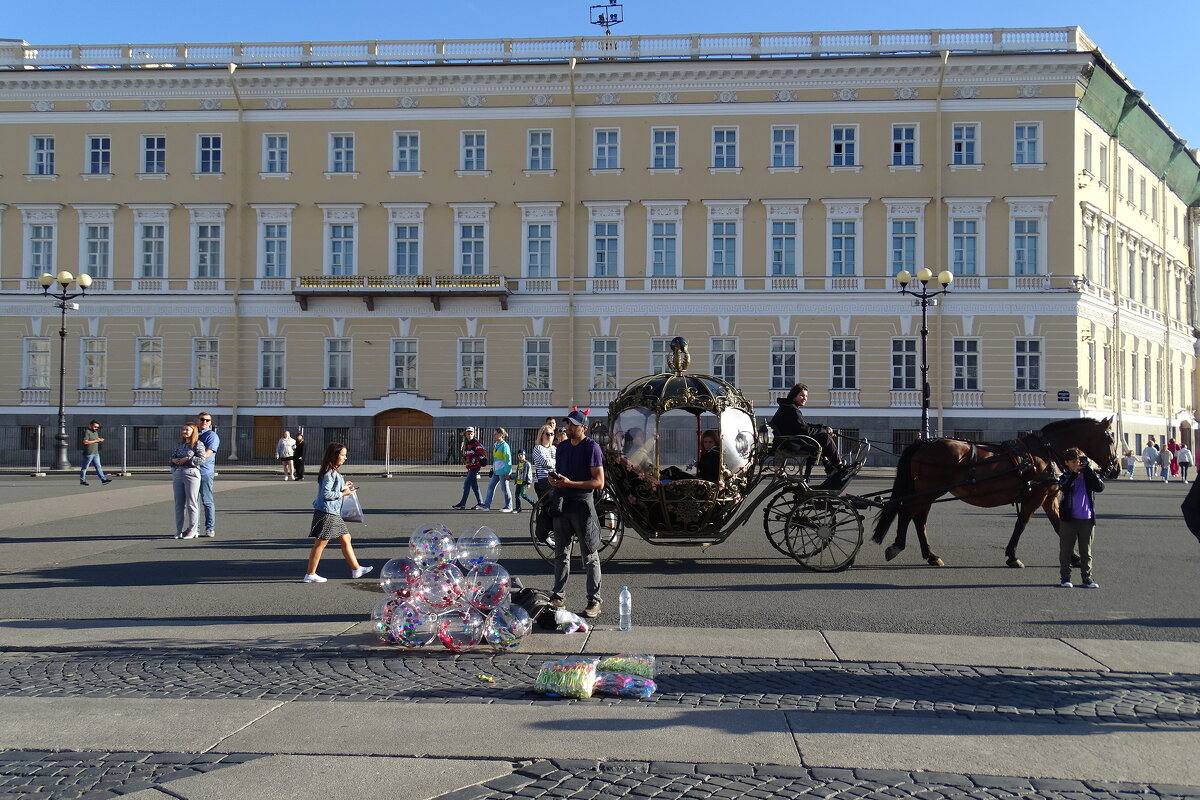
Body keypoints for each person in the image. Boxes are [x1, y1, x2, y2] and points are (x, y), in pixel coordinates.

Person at [547, 407, 605, 618]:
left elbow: (599, 482)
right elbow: (562, 474)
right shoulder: (561, 447)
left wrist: (571, 483)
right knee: (561, 554)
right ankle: (558, 596)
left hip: (582, 505)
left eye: (572, 424)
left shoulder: (592, 447)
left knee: (590, 555)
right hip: (563, 503)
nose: (568, 427)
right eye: (568, 423)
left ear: (583, 428)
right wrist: (555, 480)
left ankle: (594, 600)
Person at [303, 442, 372, 583]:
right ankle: (310, 574)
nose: (345, 458)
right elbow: (325, 494)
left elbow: (332, 490)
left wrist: (344, 487)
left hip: (331, 512)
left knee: (346, 538)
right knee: (320, 543)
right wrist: (343, 493)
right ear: (334, 455)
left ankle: (356, 569)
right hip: (327, 513)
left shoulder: (333, 472)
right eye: (343, 455)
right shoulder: (330, 473)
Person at [769, 383, 844, 473]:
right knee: (825, 438)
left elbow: (804, 425)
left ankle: (828, 468)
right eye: (802, 395)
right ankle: (839, 467)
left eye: (806, 396)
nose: (805, 398)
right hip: (787, 443)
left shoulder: (789, 407)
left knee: (821, 440)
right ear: (794, 396)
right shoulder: (791, 409)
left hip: (787, 441)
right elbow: (805, 430)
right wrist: (823, 431)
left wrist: (823, 427)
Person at [1056, 447, 1103, 589]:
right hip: (1068, 519)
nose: (1077, 464)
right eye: (1073, 462)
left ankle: (1087, 578)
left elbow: (1099, 487)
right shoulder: (1064, 476)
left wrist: (1088, 469)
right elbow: (1064, 487)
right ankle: (1065, 578)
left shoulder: (1089, 475)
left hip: (1087, 518)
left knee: (1086, 552)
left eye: (1079, 461)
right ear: (1067, 463)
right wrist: (1073, 474)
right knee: (1066, 551)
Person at [169, 421, 208, 540]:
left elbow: (202, 459)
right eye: (184, 430)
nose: (184, 432)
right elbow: (172, 457)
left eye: (187, 430)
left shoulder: (198, 444)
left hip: (191, 474)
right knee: (179, 503)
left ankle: (193, 529)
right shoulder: (179, 444)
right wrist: (174, 460)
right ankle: (179, 529)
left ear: (193, 432)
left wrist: (188, 458)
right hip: (178, 473)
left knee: (191, 503)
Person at [196, 412, 220, 538]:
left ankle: (210, 528)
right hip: (192, 472)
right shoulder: (194, 434)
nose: (204, 422)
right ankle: (195, 528)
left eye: (207, 420)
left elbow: (207, 453)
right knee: (193, 502)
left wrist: (189, 459)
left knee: (206, 500)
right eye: (202, 419)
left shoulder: (211, 436)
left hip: (205, 471)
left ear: (210, 422)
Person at [452, 427, 487, 509]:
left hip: (475, 467)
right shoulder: (468, 444)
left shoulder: (476, 444)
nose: (469, 435)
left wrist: (471, 460)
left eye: (471, 434)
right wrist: (465, 458)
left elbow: (480, 455)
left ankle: (462, 504)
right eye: (468, 434)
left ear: (474, 434)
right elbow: (468, 455)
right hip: (470, 467)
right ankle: (480, 503)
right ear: (466, 434)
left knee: (467, 484)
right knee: (475, 486)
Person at [481, 428, 513, 512]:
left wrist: (507, 472)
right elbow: (496, 459)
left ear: (501, 435)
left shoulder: (505, 446)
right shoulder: (496, 445)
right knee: (491, 487)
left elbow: (508, 460)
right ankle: (487, 506)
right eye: (494, 434)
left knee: (505, 489)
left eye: (495, 434)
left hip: (503, 472)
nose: (494, 435)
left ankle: (509, 506)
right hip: (496, 471)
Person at [79, 419, 112, 486]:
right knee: (85, 468)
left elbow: (95, 440)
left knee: (98, 467)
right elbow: (85, 442)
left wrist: (99, 440)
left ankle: (103, 480)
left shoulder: (95, 432)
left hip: (95, 453)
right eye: (95, 426)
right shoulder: (87, 432)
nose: (96, 428)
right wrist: (96, 440)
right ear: (91, 425)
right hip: (89, 453)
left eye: (97, 427)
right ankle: (82, 481)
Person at [532, 425, 557, 498]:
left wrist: (553, 462)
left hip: (553, 479)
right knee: (546, 506)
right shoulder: (538, 448)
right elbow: (545, 462)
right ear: (542, 435)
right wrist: (555, 462)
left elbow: (559, 462)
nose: (550, 436)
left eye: (552, 434)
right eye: (547, 434)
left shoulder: (554, 448)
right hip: (542, 480)